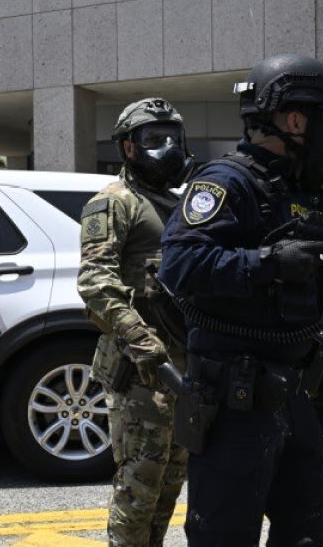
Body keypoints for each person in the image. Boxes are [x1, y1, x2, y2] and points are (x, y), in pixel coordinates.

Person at [160, 52, 323, 546]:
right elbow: (179, 266)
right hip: (235, 405)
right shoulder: (227, 182)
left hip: (293, 393)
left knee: (305, 535)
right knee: (225, 537)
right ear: (295, 120)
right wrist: (268, 262)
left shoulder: (297, 188)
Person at [77, 98, 195, 547]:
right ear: (128, 148)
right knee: (138, 487)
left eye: (173, 138)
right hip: (140, 369)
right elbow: (95, 280)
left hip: (182, 365)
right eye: (152, 139)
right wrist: (141, 342)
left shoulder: (178, 204)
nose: (166, 147)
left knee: (169, 483)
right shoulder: (114, 203)